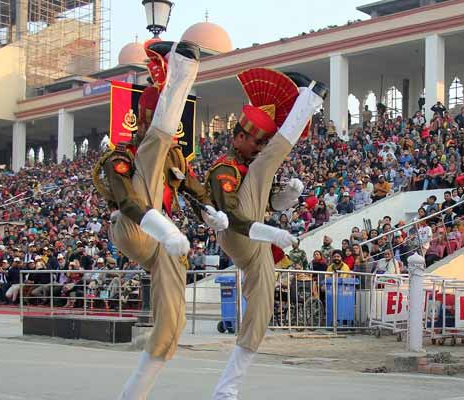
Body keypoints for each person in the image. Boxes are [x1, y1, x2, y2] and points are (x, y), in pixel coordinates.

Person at [102, 41, 227, 400]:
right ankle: (182, 72)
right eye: (158, 121)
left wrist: (211, 212)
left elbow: (193, 189)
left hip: (165, 244)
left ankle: (135, 393)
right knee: (152, 152)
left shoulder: (172, 153)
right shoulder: (121, 158)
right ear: (142, 119)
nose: (171, 134)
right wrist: (167, 229)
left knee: (173, 322)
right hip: (134, 228)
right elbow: (127, 203)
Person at [207, 68, 326, 400]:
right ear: (238, 136)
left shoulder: (252, 166)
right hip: (237, 233)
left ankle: (226, 390)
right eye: (256, 141)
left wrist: (285, 198)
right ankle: (308, 100)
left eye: (263, 142)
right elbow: (232, 215)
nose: (259, 147)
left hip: (257, 241)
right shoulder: (225, 169)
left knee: (262, 309)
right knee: (265, 165)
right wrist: (271, 232)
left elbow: (268, 203)